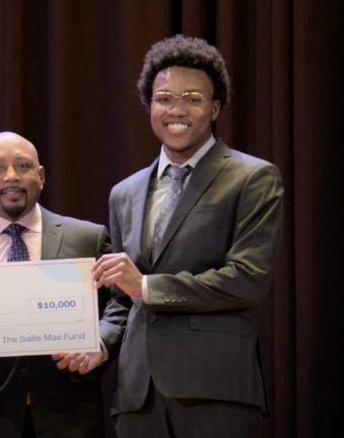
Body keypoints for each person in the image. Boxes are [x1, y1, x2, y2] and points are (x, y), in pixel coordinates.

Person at [85, 35, 284, 437]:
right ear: (150, 106)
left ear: (214, 109)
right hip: (136, 397)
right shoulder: (124, 193)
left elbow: (247, 280)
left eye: (192, 98)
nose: (177, 110)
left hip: (215, 391)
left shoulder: (253, 177)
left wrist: (147, 286)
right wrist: (100, 344)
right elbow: (123, 302)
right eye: (164, 98)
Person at [0, 131, 112, 438]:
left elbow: (119, 308)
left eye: (23, 167)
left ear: (41, 176)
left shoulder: (88, 239)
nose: (12, 177)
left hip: (69, 421)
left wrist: (101, 344)